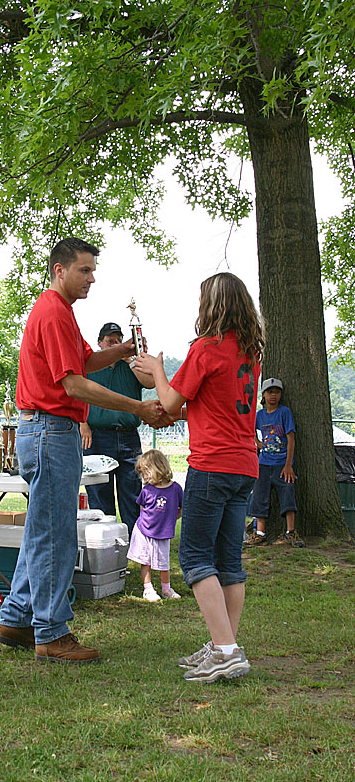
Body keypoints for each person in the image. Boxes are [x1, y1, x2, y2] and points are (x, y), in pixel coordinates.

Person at [0, 237, 169, 663]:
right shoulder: (53, 312)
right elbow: (72, 384)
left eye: (93, 270)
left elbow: (82, 362)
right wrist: (138, 407)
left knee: (41, 529)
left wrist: (120, 352)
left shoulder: (61, 313)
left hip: (47, 432)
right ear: (59, 269)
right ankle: (51, 633)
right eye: (85, 270)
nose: (92, 278)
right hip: (51, 432)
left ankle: (16, 619)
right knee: (56, 536)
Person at [136, 272, 263, 683]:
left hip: (212, 465)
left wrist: (156, 369)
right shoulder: (248, 353)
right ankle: (226, 644)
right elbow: (203, 407)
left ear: (212, 305)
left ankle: (225, 650)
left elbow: (171, 401)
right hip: (245, 465)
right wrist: (163, 387)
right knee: (229, 560)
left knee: (194, 557)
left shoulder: (205, 349)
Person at [80, 322, 155, 536]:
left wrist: (131, 359)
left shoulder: (131, 365)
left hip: (128, 437)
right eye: (110, 341)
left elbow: (150, 383)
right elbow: (75, 393)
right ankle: (106, 543)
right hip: (97, 436)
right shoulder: (91, 366)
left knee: (132, 494)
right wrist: (82, 424)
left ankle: (135, 545)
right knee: (99, 495)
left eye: (118, 340)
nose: (115, 344)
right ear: (100, 343)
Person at [246, 378, 305, 548]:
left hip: (281, 463)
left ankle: (291, 531)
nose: (273, 395)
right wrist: (256, 441)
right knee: (259, 495)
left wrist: (288, 465)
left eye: (277, 392)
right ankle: (260, 533)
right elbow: (249, 429)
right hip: (263, 463)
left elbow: (291, 438)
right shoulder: (260, 415)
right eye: (270, 392)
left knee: (288, 491)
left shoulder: (284, 412)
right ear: (263, 394)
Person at [127, 449, 183, 601]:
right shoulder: (147, 490)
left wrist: (170, 519)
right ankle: (148, 589)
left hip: (163, 533)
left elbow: (181, 508)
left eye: (146, 472)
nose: (144, 477)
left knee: (163, 562)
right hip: (144, 531)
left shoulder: (176, 489)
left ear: (157, 468)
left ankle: (166, 588)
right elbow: (142, 509)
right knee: (146, 561)